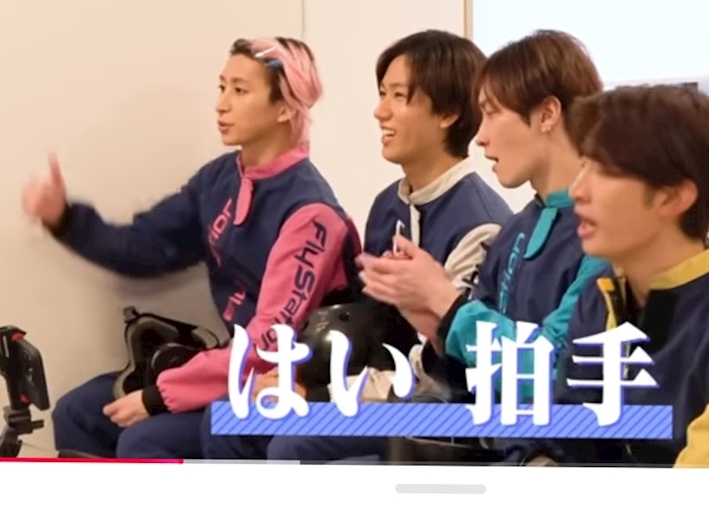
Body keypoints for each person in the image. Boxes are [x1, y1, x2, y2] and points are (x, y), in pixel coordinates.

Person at [22, 36, 362, 459]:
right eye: (222, 87)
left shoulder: (311, 213)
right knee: (78, 412)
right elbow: (145, 247)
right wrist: (65, 219)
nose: (221, 104)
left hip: (283, 381)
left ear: (284, 108)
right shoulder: (219, 179)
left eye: (240, 90)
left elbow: (268, 342)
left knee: (143, 440)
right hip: (230, 367)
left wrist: (159, 395)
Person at [200, 29, 513, 463]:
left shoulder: (479, 222)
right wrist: (300, 375)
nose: (380, 111)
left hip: (440, 407)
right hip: (380, 388)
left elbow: (446, 370)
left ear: (448, 113)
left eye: (398, 97)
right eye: (382, 94)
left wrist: (323, 394)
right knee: (231, 417)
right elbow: (366, 329)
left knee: (292, 442)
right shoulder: (388, 205)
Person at [505, 84, 709, 468]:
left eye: (604, 171)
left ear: (673, 197)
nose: (578, 190)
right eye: (583, 166)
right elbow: (556, 434)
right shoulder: (602, 300)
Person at [358, 30, 606, 461]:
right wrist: (435, 324)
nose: (480, 136)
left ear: (547, 113)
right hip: (495, 444)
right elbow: (469, 378)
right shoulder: (518, 230)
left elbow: (554, 372)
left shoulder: (609, 236)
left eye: (491, 114)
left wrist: (446, 303)